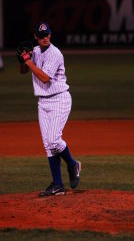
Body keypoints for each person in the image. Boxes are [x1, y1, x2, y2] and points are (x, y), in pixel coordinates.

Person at [17, 21, 81, 197]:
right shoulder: (35, 51)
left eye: (47, 35)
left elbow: (44, 77)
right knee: (48, 145)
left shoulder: (55, 53)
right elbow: (23, 71)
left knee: (54, 140)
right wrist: (23, 61)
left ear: (50, 35)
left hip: (59, 99)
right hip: (43, 103)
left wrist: (28, 62)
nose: (45, 38)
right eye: (41, 35)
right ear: (35, 37)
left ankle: (72, 163)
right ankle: (58, 184)